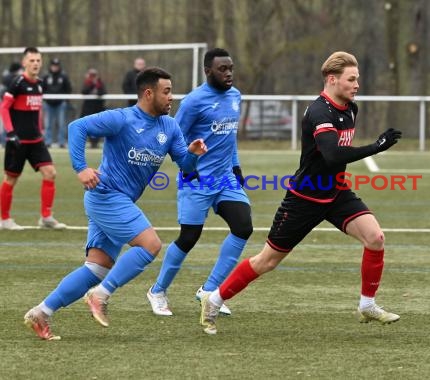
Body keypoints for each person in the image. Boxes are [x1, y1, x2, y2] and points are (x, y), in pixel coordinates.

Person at [199, 51, 403, 335]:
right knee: (266, 261)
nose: (357, 85)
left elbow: (335, 163)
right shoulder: (320, 111)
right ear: (332, 80)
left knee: (375, 238)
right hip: (305, 197)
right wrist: (376, 146)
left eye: (358, 79)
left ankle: (367, 305)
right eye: (351, 79)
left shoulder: (350, 108)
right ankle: (214, 299)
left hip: (336, 192)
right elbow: (331, 155)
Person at [23, 67, 207, 341]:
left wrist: (192, 154)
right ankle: (101, 295)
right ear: (148, 93)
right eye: (166, 91)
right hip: (105, 195)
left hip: (117, 200)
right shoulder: (122, 119)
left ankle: (41, 312)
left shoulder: (169, 127)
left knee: (95, 269)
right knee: (151, 245)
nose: (172, 97)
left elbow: (185, 165)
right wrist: (81, 167)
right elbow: (77, 127)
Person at [147, 48, 252, 317]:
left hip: (225, 179)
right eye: (222, 69)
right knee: (189, 237)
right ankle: (157, 290)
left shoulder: (235, 95)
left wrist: (236, 165)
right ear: (208, 71)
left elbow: (229, 136)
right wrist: (187, 165)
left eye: (231, 68)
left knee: (243, 227)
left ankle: (209, 290)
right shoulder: (194, 101)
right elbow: (174, 135)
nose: (228, 73)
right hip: (196, 180)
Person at [0, 47, 67, 230]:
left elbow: (36, 110)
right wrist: (11, 133)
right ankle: (4, 219)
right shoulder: (17, 83)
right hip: (17, 141)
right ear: (24, 63)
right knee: (10, 179)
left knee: (50, 173)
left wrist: (41, 129)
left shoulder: (40, 83)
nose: (35, 63)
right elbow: (4, 108)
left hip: (36, 141)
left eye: (38, 60)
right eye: (32, 60)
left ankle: (46, 217)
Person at [42, 58, 72, 148]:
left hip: (60, 104)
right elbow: (42, 88)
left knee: (62, 123)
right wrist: (45, 99)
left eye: (56, 66)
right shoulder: (46, 76)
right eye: (53, 66)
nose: (55, 67)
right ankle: (48, 141)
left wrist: (65, 100)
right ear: (51, 66)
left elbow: (68, 89)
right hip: (48, 104)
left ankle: (62, 142)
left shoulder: (63, 76)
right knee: (48, 124)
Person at [80, 68, 106, 148]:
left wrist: (97, 85)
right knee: (86, 126)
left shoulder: (100, 83)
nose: (93, 77)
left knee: (97, 126)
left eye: (94, 75)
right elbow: (84, 91)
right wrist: (91, 84)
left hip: (98, 108)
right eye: (91, 75)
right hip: (88, 108)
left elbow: (103, 92)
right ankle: (83, 142)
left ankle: (94, 143)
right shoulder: (87, 82)